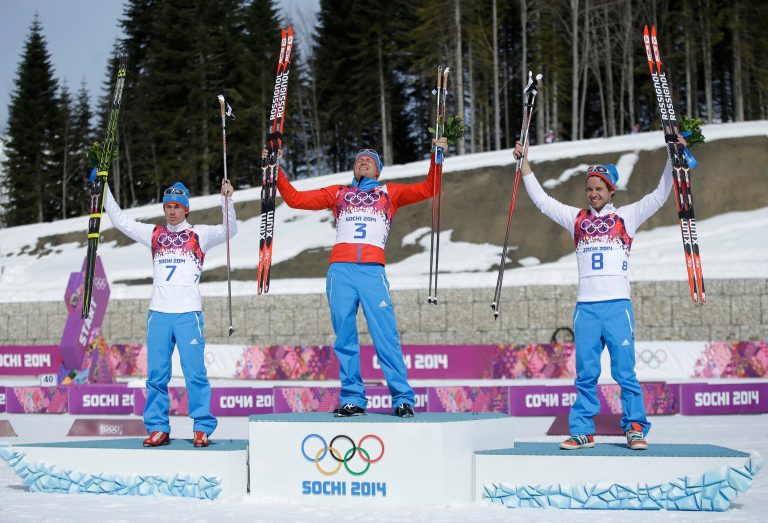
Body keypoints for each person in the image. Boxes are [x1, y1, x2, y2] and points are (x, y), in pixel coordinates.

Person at [513, 138, 683, 450]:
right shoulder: (577, 219)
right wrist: (524, 165)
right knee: (586, 374)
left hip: (617, 307)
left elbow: (659, 196)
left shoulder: (626, 217)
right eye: (589, 188)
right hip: (587, 308)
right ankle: (582, 430)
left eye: (599, 188)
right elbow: (542, 201)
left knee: (625, 373)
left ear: (611, 190)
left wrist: (673, 158)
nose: (593, 193)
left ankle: (634, 428)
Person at [270, 138, 448, 418]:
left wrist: (437, 156)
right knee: (344, 337)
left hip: (372, 271)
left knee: (385, 335)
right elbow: (295, 199)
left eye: (370, 160)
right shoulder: (338, 193)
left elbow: (431, 188)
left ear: (378, 170)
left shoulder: (391, 192)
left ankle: (402, 398)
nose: (363, 161)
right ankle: (353, 398)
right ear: (353, 169)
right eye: (358, 159)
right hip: (340, 271)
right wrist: (275, 168)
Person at [103, 178, 237, 447]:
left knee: (195, 374)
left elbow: (229, 230)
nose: (172, 211)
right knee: (156, 376)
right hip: (159, 314)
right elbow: (120, 221)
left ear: (186, 208)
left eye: (177, 206)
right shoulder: (154, 234)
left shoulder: (199, 234)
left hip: (188, 314)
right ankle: (158, 427)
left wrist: (227, 200)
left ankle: (202, 427)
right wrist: (103, 186)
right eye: (168, 206)